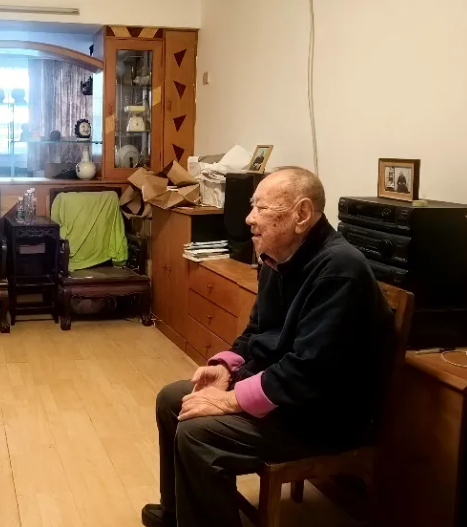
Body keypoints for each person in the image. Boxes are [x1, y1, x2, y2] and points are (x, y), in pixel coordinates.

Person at [143, 166, 394, 527]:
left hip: (322, 417)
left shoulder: (340, 270)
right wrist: (225, 367)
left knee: (199, 435)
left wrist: (229, 400)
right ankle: (178, 515)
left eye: (262, 208)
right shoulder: (279, 258)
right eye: (253, 206)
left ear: (302, 214)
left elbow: (306, 374)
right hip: (287, 396)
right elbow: (256, 332)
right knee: (172, 399)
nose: (249, 218)